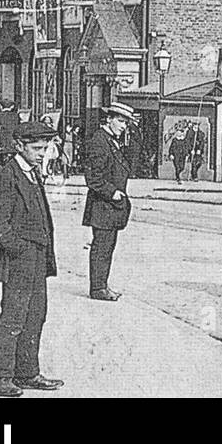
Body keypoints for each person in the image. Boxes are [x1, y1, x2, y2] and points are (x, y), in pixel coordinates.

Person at [0, 120, 64, 397]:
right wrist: (17, 248)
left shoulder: (32, 172)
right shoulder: (8, 174)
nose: (42, 153)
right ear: (19, 146)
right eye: (37, 148)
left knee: (36, 314)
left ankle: (27, 372)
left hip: (37, 256)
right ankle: (1, 377)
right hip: (19, 258)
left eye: (45, 148)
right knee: (14, 316)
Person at [82, 102, 137, 301]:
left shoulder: (110, 140)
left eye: (126, 123)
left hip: (109, 207)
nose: (123, 126)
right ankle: (98, 288)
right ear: (109, 119)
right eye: (121, 121)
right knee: (102, 249)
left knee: (106, 248)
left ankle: (102, 285)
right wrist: (112, 193)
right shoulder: (99, 141)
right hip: (103, 205)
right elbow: (93, 178)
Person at [0, 100, 20, 168]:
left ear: (1, 106)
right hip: (12, 143)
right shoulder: (16, 116)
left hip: (1, 143)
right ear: (12, 107)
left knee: (0, 162)